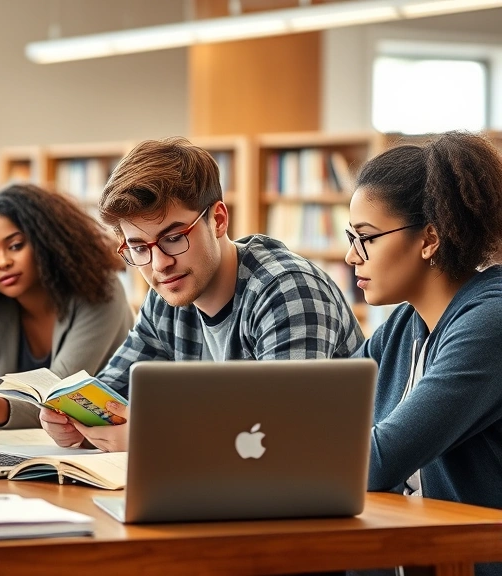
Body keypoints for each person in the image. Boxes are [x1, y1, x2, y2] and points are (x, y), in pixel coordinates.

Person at [41, 138, 365, 452]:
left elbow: (282, 434)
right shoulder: (166, 298)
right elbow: (110, 396)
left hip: (341, 498)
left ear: (219, 220)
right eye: (139, 247)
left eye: (173, 237)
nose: (160, 265)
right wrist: (75, 422)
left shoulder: (287, 291)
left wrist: (152, 438)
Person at [345, 133, 502, 572]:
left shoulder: (490, 323)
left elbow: (377, 461)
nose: (350, 255)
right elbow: (322, 414)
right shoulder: (404, 323)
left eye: (367, 238)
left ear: (429, 238)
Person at [0, 183, 135, 428]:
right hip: (27, 450)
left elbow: (60, 397)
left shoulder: (100, 291)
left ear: (46, 241)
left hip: (103, 446)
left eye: (15, 246)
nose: (3, 262)